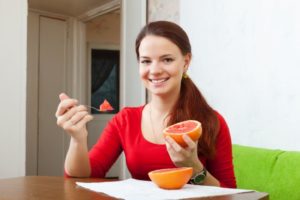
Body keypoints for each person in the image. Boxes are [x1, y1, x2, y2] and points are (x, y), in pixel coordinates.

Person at [55, 21, 236, 188]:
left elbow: (231, 193)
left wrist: (195, 168)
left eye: (167, 59)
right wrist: (77, 139)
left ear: (186, 62)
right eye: (146, 61)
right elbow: (81, 178)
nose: (155, 70)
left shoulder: (212, 121)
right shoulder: (125, 120)